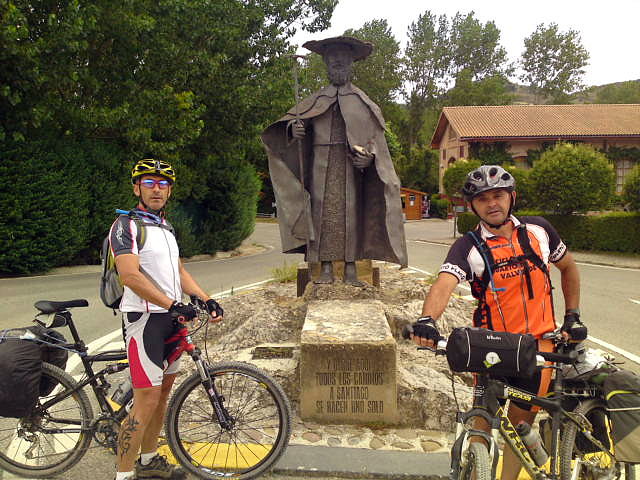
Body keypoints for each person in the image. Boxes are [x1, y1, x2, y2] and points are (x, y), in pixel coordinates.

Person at [410, 165, 586, 480]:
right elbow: (445, 283)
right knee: (482, 425)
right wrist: (427, 319)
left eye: (498, 195)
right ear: (473, 206)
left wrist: (572, 316)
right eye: (483, 199)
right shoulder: (469, 245)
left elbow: (569, 268)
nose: (492, 203)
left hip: (539, 348)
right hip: (491, 348)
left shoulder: (539, 231)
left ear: (511, 197)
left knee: (518, 432)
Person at [109, 159, 224, 480]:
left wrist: (204, 298)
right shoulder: (126, 225)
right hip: (145, 322)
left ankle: (148, 462)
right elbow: (129, 275)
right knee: (144, 403)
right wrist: (172, 304)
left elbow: (179, 272)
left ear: (169, 191)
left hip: (171, 321)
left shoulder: (165, 228)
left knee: (161, 399)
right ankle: (123, 474)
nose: (156, 188)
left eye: (162, 184)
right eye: (149, 183)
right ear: (137, 188)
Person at [261, 36, 407, 285]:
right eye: (332, 61)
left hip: (349, 168)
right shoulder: (315, 101)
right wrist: (293, 132)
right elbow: (288, 131)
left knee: (351, 215)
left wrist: (369, 159)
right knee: (322, 216)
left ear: (351, 64)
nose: (338, 65)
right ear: (326, 65)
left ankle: (351, 268)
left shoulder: (363, 102)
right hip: (320, 165)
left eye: (343, 61)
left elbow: (376, 142)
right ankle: (324, 268)